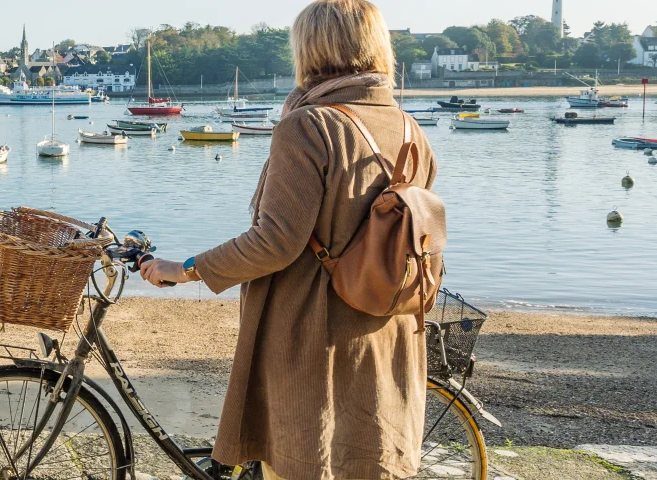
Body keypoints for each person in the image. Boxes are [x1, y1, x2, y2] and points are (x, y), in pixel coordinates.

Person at [137, 0, 437, 478]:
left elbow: (276, 241)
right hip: (386, 325)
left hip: (312, 331)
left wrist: (186, 268)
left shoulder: (308, 125)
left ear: (311, 50)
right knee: (366, 457)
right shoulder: (410, 129)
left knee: (304, 456)